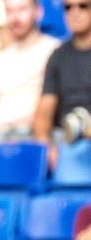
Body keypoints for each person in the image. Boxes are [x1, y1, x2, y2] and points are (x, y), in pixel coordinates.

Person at [0, 0, 60, 162]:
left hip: (34, 135)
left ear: (38, 11)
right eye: (10, 11)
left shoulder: (54, 51)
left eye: (22, 9)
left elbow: (49, 107)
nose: (16, 17)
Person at [33, 0, 91, 166]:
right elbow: (43, 114)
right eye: (68, 7)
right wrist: (47, 148)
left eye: (83, 6)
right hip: (66, 140)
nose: (75, 12)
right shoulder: (57, 56)